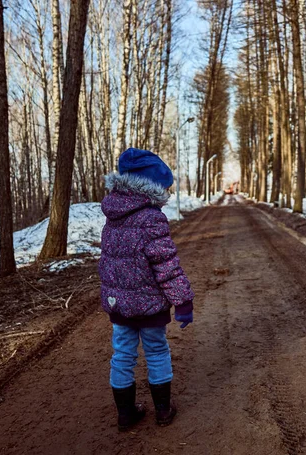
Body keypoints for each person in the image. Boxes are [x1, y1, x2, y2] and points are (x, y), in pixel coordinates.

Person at [99, 148, 194, 432]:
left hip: (120, 305)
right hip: (150, 305)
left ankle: (126, 413)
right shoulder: (151, 218)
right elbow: (167, 265)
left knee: (123, 354)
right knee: (156, 351)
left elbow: (108, 263)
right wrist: (183, 301)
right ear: (152, 187)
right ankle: (163, 410)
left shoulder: (111, 215)